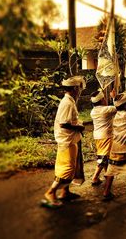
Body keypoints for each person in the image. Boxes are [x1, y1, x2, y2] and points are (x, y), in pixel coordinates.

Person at [42, 76, 85, 208]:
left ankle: (65, 192)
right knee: (67, 168)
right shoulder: (67, 103)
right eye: (78, 88)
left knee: (72, 166)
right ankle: (50, 192)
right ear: (74, 89)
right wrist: (79, 127)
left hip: (71, 139)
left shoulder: (70, 100)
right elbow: (64, 124)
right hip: (67, 140)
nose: (80, 90)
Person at [90, 89, 117, 186]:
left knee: (105, 156)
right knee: (103, 157)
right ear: (101, 100)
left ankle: (106, 173)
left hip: (97, 136)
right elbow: (117, 107)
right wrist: (114, 97)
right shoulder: (106, 110)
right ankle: (95, 177)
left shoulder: (93, 111)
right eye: (104, 98)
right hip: (106, 136)